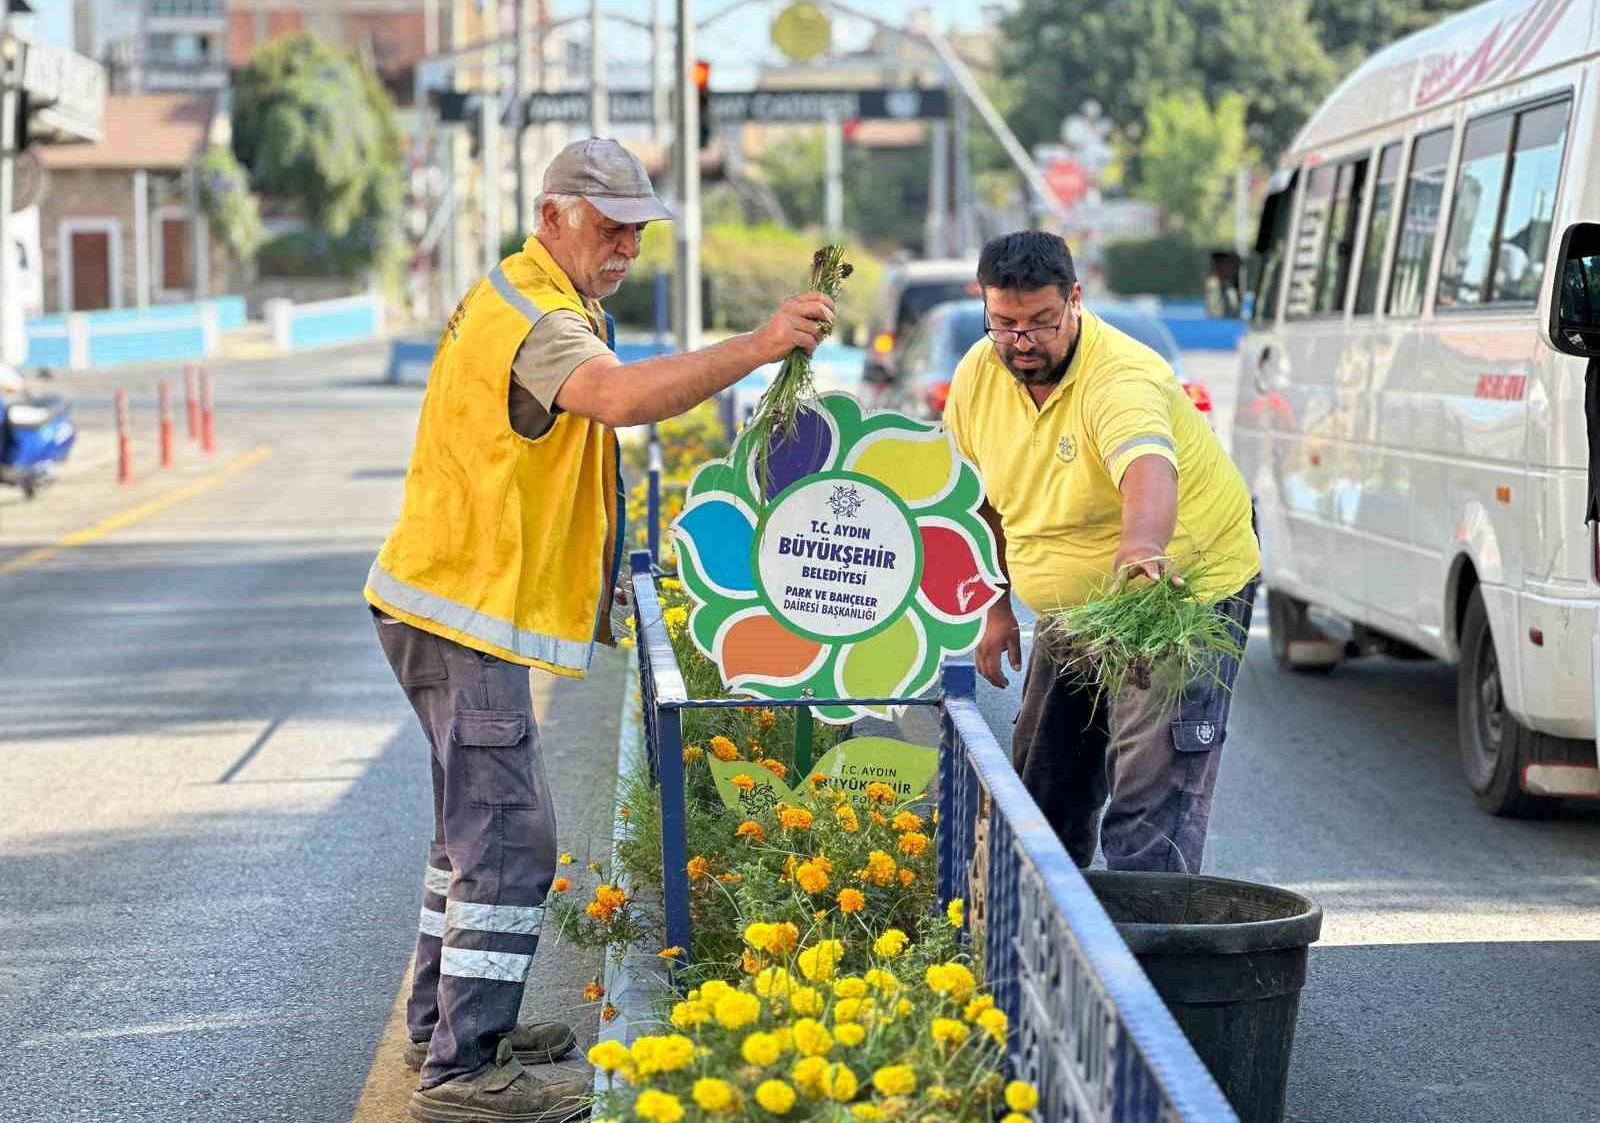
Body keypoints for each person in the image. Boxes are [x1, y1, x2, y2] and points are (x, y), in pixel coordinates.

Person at [365, 137, 833, 1121]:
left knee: (468, 838)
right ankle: (463, 1068)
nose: (624, 245)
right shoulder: (539, 318)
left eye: (635, 228)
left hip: (438, 600)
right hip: (465, 611)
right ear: (550, 216)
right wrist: (758, 345)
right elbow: (619, 402)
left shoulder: (532, 295)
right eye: (607, 224)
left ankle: (441, 1026)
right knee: (507, 841)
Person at [942, 231, 1259, 874]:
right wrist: (994, 606)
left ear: (1076, 300)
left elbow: (1147, 467)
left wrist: (1142, 545)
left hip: (1171, 590)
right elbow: (975, 499)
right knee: (1046, 782)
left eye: (1041, 322)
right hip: (1077, 601)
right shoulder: (978, 373)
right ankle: (1047, 950)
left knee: (1148, 791)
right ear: (986, 307)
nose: (1023, 341)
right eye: (1005, 323)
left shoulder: (1121, 377)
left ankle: (1145, 955)